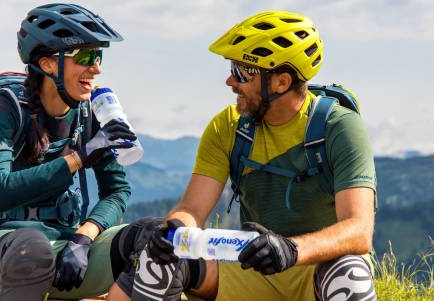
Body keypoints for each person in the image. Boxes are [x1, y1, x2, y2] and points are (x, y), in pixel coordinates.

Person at [108, 11, 378, 301]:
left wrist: (290, 249)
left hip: (315, 271)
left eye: (241, 72)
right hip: (252, 267)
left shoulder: (338, 127)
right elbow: (192, 208)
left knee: (351, 274)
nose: (229, 81)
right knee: (160, 258)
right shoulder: (228, 126)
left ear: (281, 82)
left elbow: (358, 230)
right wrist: (174, 230)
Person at [0, 4, 138, 300]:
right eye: (86, 57)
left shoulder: (89, 113)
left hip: (67, 259)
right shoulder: (4, 107)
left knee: (150, 237)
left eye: (99, 55)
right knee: (32, 247)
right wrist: (78, 158)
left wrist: (83, 238)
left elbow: (118, 190)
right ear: (49, 63)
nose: (97, 68)